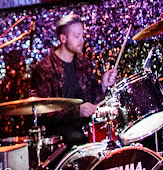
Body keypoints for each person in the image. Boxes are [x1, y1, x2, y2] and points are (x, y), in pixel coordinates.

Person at [31, 13, 117, 147]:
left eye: (82, 35)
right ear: (63, 38)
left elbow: (94, 101)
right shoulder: (44, 69)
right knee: (77, 137)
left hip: (85, 126)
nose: (82, 40)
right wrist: (77, 111)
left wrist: (104, 85)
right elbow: (44, 112)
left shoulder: (84, 63)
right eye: (77, 36)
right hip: (60, 133)